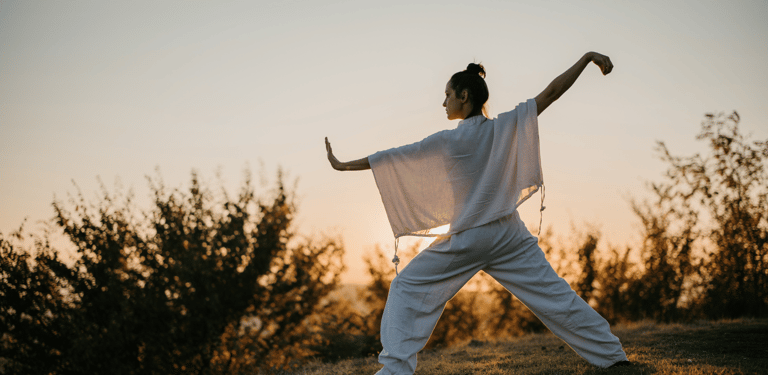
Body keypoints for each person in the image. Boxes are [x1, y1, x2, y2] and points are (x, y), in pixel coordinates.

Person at [325, 52, 630, 374]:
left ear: (464, 96)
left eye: (447, 95)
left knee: (406, 287)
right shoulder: (505, 127)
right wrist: (586, 59)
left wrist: (344, 165)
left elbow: (393, 159)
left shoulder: (448, 140)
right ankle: (613, 357)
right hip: (510, 234)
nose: (443, 102)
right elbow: (551, 94)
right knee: (555, 297)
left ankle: (394, 370)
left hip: (471, 237)